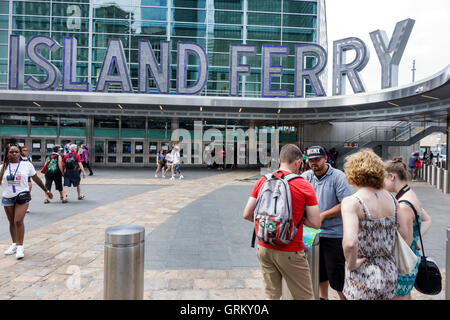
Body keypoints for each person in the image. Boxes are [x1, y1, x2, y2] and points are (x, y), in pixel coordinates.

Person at [243, 144, 321, 300]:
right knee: (305, 297)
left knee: (272, 296)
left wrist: (269, 225)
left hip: (263, 247)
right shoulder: (304, 185)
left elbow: (247, 214)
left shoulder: (263, 181)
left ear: (279, 160)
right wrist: (293, 222)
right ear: (298, 163)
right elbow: (315, 223)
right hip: (290, 249)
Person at [341, 149, 400, 300]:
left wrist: (352, 263)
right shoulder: (392, 200)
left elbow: (350, 243)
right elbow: (404, 234)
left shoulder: (352, 202)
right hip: (389, 269)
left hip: (364, 270)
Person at [301, 145, 353, 300]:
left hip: (333, 233)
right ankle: (323, 298)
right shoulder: (305, 177)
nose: (314, 163)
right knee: (317, 272)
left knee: (337, 276)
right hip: (310, 233)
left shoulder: (338, 177)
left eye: (317, 159)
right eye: (311, 160)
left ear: (325, 159)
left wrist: (322, 216)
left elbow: (346, 203)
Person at [384, 158, 432, 300]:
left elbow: (404, 241)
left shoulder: (403, 205)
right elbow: (427, 220)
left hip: (403, 263)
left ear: (391, 176)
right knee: (405, 295)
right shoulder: (410, 195)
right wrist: (416, 239)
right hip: (411, 259)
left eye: (382, 179)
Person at [1, 143, 53, 259]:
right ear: (7, 154)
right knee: (11, 222)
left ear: (20, 153)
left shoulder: (27, 165)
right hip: (7, 197)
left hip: (22, 196)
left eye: (16, 152)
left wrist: (46, 191)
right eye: (11, 152)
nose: (14, 154)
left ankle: (20, 246)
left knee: (18, 221)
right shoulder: (3, 167)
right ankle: (14, 244)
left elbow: (37, 179)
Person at [19, 145, 32, 214]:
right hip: (19, 177)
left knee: (28, 192)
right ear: (20, 151)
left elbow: (31, 169)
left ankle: (26, 207)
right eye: (24, 150)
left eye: (26, 150)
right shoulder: (18, 158)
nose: (25, 152)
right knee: (20, 192)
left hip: (27, 177)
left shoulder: (29, 158)